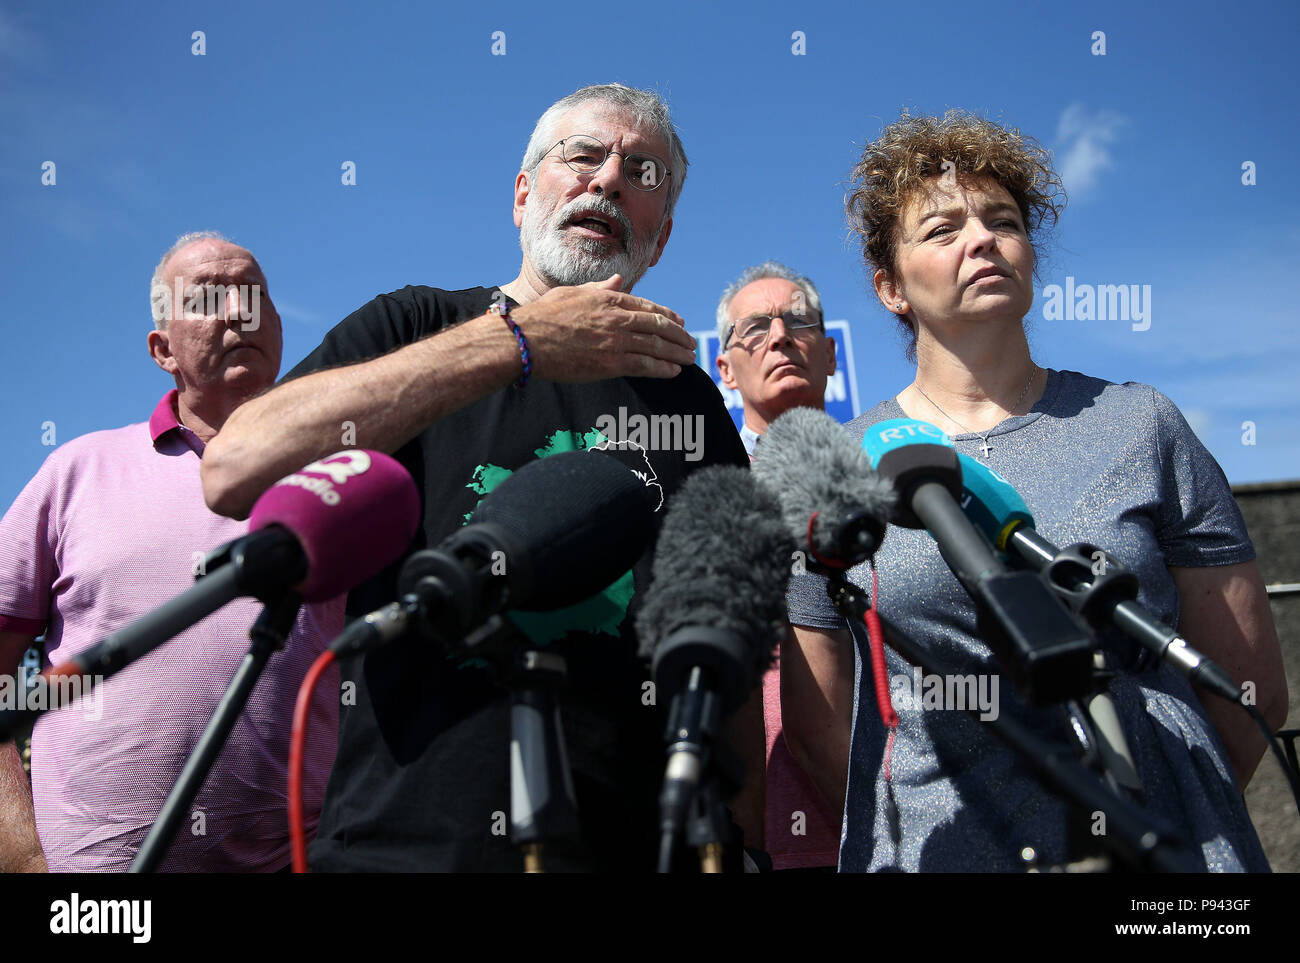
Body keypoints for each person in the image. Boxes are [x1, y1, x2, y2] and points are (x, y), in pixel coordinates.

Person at [200, 84, 759, 872]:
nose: (608, 181)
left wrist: (745, 843)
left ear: (660, 237)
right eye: (584, 156)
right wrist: (515, 342)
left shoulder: (689, 398)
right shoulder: (413, 325)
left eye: (644, 172)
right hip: (403, 847)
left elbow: (727, 645)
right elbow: (235, 467)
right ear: (524, 193)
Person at [782, 111, 1287, 872]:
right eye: (943, 229)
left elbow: (1244, 691)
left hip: (1168, 850)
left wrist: (1168, 803)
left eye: (1003, 221)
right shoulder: (839, 462)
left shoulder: (1140, 423)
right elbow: (825, 725)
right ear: (890, 286)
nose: (981, 239)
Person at [0, 233, 344, 872]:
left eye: (253, 295)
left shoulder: (343, 477)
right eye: (209, 297)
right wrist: (20, 857)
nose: (236, 311)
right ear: (162, 350)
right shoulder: (77, 471)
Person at [715, 261, 840, 870]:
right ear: (725, 369)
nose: (780, 336)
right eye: (754, 329)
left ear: (832, 354)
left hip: (902, 820)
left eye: (798, 322)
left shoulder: (899, 479)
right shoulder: (701, 494)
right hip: (754, 836)